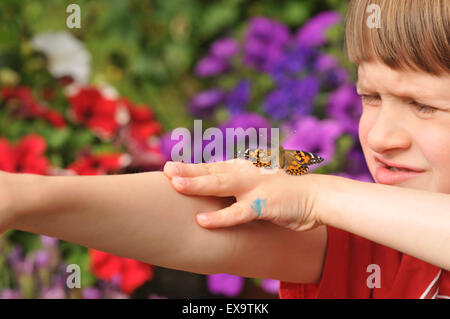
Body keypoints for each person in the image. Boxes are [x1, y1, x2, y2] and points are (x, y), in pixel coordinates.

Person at [0, 0, 449, 298]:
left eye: (424, 106)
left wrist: (319, 195)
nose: (379, 135)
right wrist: (24, 198)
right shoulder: (379, 246)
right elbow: (201, 225)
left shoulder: (349, 209)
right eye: (370, 97)